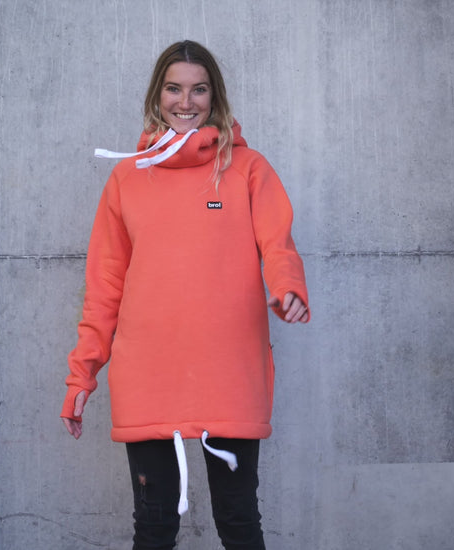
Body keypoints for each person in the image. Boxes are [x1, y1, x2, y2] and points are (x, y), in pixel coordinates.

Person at [61, 40, 309, 550]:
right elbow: (105, 285)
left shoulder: (247, 168)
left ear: (214, 96)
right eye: (174, 88)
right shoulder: (127, 177)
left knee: (239, 521)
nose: (186, 101)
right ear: (158, 95)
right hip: (148, 371)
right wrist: (82, 372)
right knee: (154, 528)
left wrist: (287, 289)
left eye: (199, 89)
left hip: (230, 367)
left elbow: (278, 244)